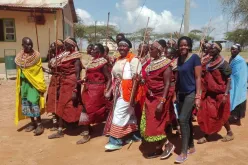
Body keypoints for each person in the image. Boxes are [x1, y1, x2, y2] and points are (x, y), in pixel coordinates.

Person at [104, 38, 142, 151]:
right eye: (119, 45)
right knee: (129, 114)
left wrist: (133, 97)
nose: (121, 48)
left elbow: (137, 79)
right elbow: (115, 77)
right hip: (119, 90)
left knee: (119, 114)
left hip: (129, 92)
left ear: (129, 48)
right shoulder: (118, 59)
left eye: (124, 46)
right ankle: (134, 135)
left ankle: (116, 141)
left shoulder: (134, 60)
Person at [140, 41, 175, 159]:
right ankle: (158, 149)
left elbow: (167, 84)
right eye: (150, 49)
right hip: (150, 97)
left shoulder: (166, 64)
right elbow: (149, 81)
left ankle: (168, 144)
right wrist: (141, 80)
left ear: (159, 51)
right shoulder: (151, 63)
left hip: (160, 97)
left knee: (156, 123)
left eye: (152, 49)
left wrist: (162, 101)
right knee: (151, 122)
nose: (150, 51)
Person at [197, 42, 234, 144]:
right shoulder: (208, 62)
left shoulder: (224, 64)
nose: (210, 50)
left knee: (221, 114)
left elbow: (229, 80)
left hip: (221, 94)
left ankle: (229, 132)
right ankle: (207, 134)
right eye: (210, 48)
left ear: (218, 50)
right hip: (210, 94)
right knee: (207, 113)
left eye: (213, 48)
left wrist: (225, 95)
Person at [76, 43, 112, 144]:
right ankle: (88, 128)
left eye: (94, 50)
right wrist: (83, 80)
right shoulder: (92, 61)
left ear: (99, 52)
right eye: (92, 50)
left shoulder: (103, 63)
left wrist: (107, 90)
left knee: (87, 109)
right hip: (88, 88)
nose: (91, 51)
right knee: (85, 107)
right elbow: (89, 75)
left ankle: (86, 133)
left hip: (97, 89)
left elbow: (109, 78)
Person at [48, 37, 83, 139]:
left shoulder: (76, 57)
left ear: (72, 46)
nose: (64, 46)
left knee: (73, 104)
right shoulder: (66, 55)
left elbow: (77, 75)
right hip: (64, 82)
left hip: (72, 83)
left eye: (66, 44)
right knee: (61, 105)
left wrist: (75, 89)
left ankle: (83, 126)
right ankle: (60, 129)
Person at [175, 36, 201, 163]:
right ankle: (191, 145)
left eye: (185, 45)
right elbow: (178, 78)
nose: (183, 47)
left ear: (189, 46)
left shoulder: (195, 58)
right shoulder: (179, 59)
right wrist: (175, 93)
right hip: (181, 94)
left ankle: (184, 152)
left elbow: (198, 78)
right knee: (188, 120)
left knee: (182, 120)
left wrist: (198, 96)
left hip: (191, 93)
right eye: (181, 45)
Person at [15, 37, 47, 136]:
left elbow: (37, 71)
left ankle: (39, 124)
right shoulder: (19, 57)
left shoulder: (36, 56)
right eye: (27, 45)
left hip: (34, 83)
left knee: (34, 102)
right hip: (24, 83)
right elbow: (19, 69)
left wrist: (28, 72)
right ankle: (32, 123)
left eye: (31, 45)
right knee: (26, 102)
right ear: (22, 45)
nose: (30, 46)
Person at [45, 40, 65, 131]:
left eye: (54, 46)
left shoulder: (64, 56)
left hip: (61, 80)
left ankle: (61, 122)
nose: (52, 47)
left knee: (59, 100)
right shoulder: (53, 57)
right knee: (52, 100)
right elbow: (51, 68)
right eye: (51, 46)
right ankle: (54, 122)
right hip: (53, 80)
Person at [229, 44, 247, 125]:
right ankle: (233, 115)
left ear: (239, 50)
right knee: (232, 96)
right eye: (232, 49)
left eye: (234, 49)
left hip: (239, 82)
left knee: (238, 96)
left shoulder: (240, 60)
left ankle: (236, 117)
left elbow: (242, 73)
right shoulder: (232, 58)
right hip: (232, 81)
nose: (232, 50)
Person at [136, 43, 150, 126]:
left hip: (145, 85)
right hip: (135, 85)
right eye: (140, 47)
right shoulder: (135, 59)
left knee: (143, 105)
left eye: (144, 48)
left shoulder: (149, 60)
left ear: (147, 50)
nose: (141, 50)